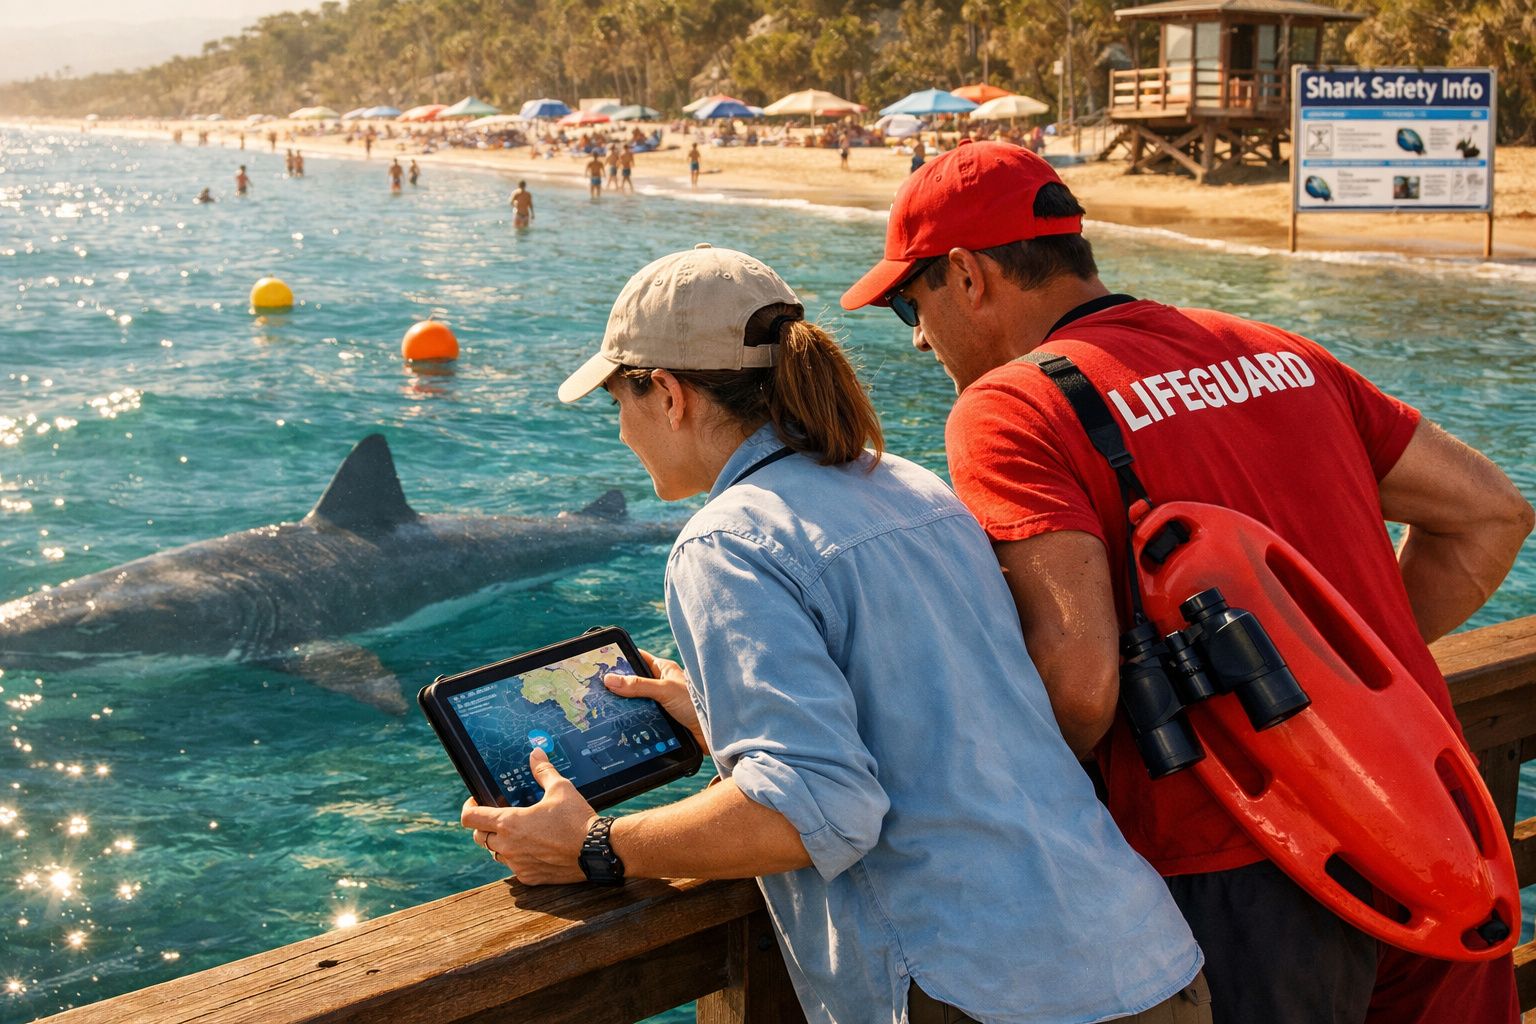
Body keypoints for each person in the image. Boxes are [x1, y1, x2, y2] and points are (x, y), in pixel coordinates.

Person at [839, 140, 1533, 1024]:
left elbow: (1080, 690)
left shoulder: (1011, 408)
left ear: (968, 275)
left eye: (911, 303)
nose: (920, 336)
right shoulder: (1280, 351)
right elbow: (1492, 514)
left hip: (1247, 868)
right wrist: (1341, 676)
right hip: (1437, 833)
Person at [461, 243, 1211, 1024]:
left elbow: (814, 810)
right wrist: (715, 716)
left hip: (980, 991)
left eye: (619, 401)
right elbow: (949, 717)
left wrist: (594, 843)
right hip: (1143, 960)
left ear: (671, 394)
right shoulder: (909, 484)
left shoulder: (724, 542)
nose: (621, 431)